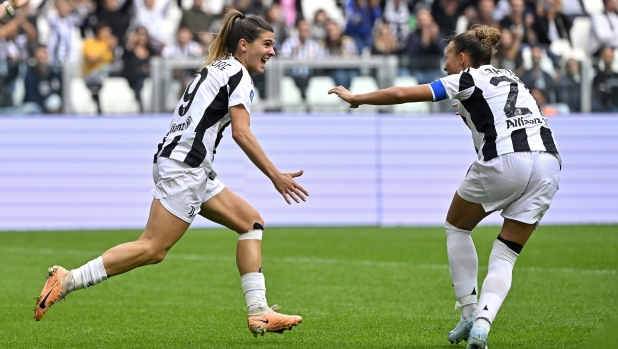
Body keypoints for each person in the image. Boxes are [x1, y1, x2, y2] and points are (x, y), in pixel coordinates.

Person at [34, 9, 308, 338]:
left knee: (250, 222)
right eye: (267, 44)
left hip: (185, 163)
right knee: (152, 248)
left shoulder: (216, 68)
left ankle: (259, 312)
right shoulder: (239, 75)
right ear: (244, 45)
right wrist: (275, 175)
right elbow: (241, 133)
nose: (272, 52)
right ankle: (68, 279)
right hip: (186, 167)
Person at [328, 25, 561, 349]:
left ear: (463, 58)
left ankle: (468, 311)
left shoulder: (467, 78)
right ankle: (482, 323)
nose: (444, 65)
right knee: (505, 255)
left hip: (506, 159)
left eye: (447, 57)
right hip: (548, 163)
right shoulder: (511, 76)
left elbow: (400, 94)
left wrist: (357, 98)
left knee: (456, 226)